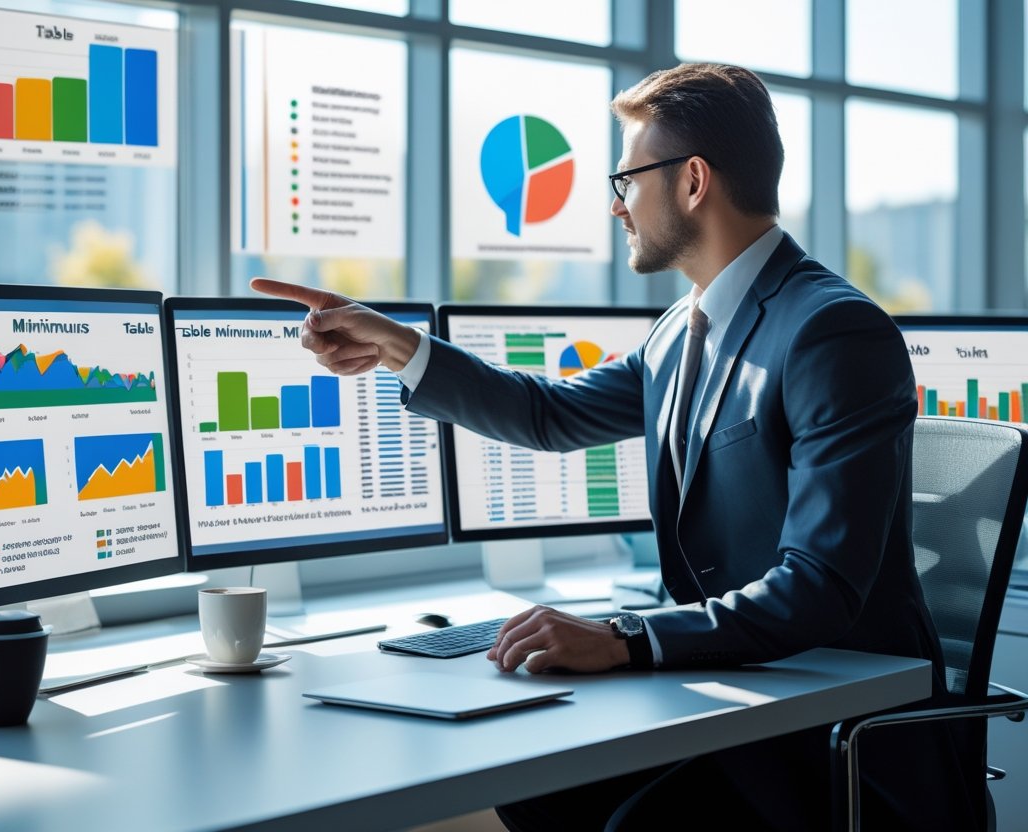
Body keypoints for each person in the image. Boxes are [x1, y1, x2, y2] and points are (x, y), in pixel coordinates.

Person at [253, 63, 982, 831]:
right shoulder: (678, 333)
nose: (614, 204)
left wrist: (626, 637)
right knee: (533, 788)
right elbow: (549, 415)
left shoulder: (830, 331)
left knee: (583, 807)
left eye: (626, 179)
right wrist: (400, 346)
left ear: (693, 181)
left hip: (825, 737)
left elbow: (818, 587)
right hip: (733, 695)